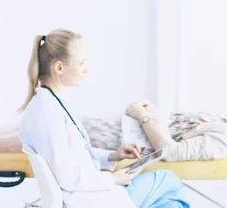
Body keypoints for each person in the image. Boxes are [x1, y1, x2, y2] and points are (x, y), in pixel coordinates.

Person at [19, 29, 189, 208]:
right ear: (59, 67)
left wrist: (113, 155)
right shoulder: (46, 111)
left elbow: (76, 156)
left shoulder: (51, 104)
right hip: (85, 200)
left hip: (90, 194)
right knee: (168, 180)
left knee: (171, 204)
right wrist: (113, 179)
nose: (87, 69)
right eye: (82, 63)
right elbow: (67, 175)